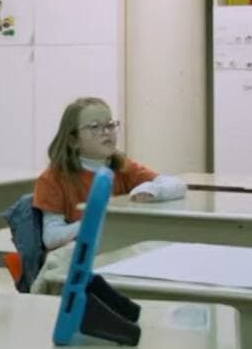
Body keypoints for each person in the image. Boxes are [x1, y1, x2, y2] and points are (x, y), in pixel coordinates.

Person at [34, 97, 186, 250]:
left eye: (110, 125)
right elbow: (51, 237)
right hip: (77, 259)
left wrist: (153, 190)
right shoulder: (52, 178)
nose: (106, 132)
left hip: (115, 248)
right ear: (73, 140)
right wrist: (95, 222)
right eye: (95, 127)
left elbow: (177, 185)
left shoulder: (123, 167)